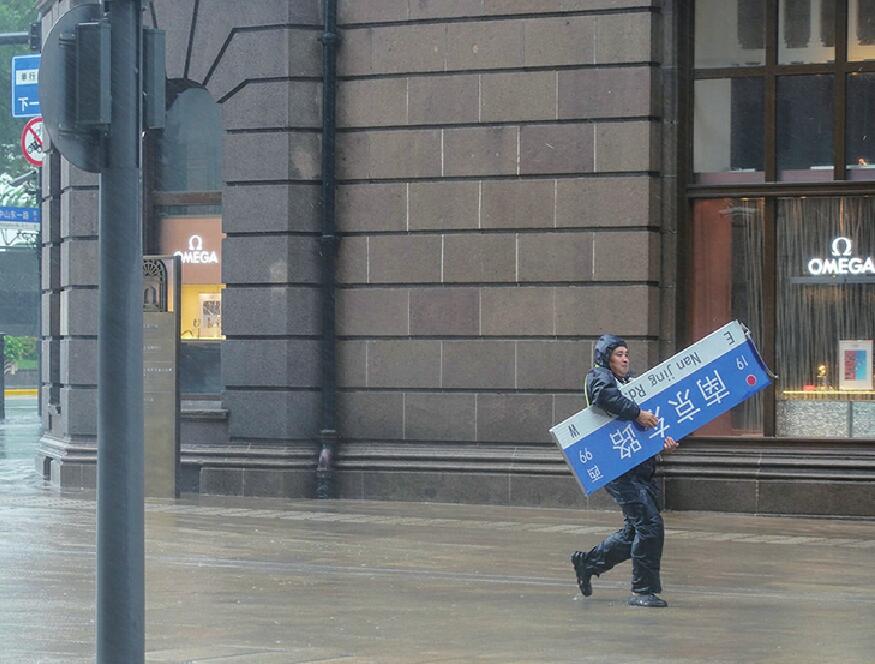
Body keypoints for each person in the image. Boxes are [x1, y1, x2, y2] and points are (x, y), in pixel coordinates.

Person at [570, 334, 679, 608]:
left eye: (627, 354)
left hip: (639, 468)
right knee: (651, 526)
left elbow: (646, 424)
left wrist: (664, 440)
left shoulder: (630, 385)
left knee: (635, 531)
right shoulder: (599, 377)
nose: (625, 358)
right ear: (606, 357)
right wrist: (638, 413)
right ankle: (643, 591)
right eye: (619, 353)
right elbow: (605, 398)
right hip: (618, 470)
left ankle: (588, 563)